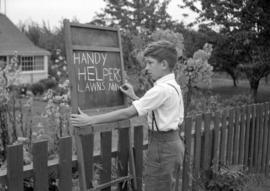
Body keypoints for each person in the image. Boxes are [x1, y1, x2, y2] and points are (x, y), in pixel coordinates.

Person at [70, 40, 185, 191]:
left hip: (162, 148)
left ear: (163, 64)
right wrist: (134, 96)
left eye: (150, 63)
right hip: (173, 143)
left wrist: (90, 120)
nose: (146, 68)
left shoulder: (161, 89)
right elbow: (157, 108)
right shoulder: (172, 86)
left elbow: (128, 113)